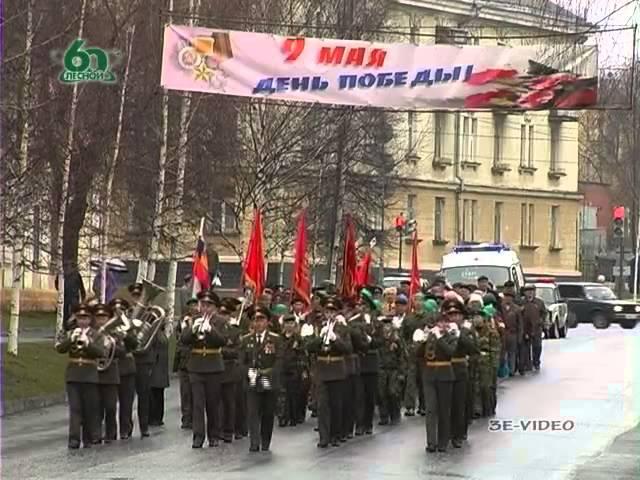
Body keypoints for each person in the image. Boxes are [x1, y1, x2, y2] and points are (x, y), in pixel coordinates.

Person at [302, 296, 352, 448]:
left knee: (336, 405)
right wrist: (320, 337)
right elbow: (309, 347)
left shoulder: (343, 329)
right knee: (323, 406)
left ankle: (335, 435)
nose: (329, 314)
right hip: (322, 370)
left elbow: (348, 349)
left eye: (332, 311)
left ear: (336, 313)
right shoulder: (318, 327)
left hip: (337, 369)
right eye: (327, 311)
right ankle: (323, 437)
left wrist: (335, 338)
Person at [55, 303, 105, 449]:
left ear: (90, 319)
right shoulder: (71, 333)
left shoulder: (96, 335)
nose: (82, 321)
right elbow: (60, 349)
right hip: (73, 375)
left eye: (85, 318)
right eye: (80, 318)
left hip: (90, 375)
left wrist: (88, 343)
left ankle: (88, 437)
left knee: (90, 408)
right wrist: (70, 340)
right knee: (75, 408)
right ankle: (74, 438)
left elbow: (101, 352)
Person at [181, 290, 227, 448]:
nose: (205, 308)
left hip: (213, 365)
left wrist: (210, 330)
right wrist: (192, 330)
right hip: (196, 366)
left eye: (209, 305)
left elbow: (222, 341)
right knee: (198, 403)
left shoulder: (220, 321)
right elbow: (184, 340)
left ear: (214, 307)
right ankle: (198, 436)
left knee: (213, 403)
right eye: (203, 305)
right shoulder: (194, 320)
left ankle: (213, 435)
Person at [240, 306, 283, 452]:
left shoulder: (275, 340)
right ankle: (254, 442)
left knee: (267, 412)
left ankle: (265, 440)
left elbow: (279, 361)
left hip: (268, 380)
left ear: (268, 321)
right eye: (254, 320)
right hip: (252, 380)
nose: (258, 323)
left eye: (261, 319)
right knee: (252, 412)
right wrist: (249, 372)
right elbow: (241, 362)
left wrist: (267, 374)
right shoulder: (246, 340)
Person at [414, 312, 458, 453]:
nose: (442, 326)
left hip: (445, 374)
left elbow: (450, 352)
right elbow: (417, 354)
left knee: (444, 410)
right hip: (429, 375)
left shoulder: (452, 337)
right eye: (440, 323)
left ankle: (443, 441)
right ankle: (431, 442)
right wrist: (424, 340)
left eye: (445, 323)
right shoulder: (431, 338)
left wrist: (439, 338)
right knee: (431, 409)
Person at [444, 300, 479, 447]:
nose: (453, 318)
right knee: (447, 404)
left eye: (456, 314)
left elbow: (473, 348)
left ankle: (459, 434)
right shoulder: (444, 329)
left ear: (462, 316)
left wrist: (459, 335)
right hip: (445, 368)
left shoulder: (467, 330)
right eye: (451, 315)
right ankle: (447, 433)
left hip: (460, 368)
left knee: (460, 403)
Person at [352, 290, 382, 435]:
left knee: (370, 396)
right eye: (359, 305)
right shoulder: (353, 322)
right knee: (358, 396)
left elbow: (381, 341)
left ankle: (368, 423)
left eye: (364, 306)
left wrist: (371, 340)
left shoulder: (377, 323)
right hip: (359, 362)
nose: (361, 308)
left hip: (371, 362)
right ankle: (359, 424)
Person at [92, 303, 122, 444]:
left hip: (110, 374)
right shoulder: (91, 334)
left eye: (104, 317)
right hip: (95, 375)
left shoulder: (115, 333)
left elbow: (123, 352)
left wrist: (112, 346)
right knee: (96, 407)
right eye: (98, 317)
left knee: (110, 406)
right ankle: (96, 434)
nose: (101, 320)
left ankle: (111, 433)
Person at [109, 298, 137, 439]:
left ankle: (125, 429)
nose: (117, 314)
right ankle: (111, 431)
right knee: (110, 404)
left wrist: (125, 336)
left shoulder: (130, 326)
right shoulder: (107, 327)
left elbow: (135, 344)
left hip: (127, 368)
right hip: (111, 368)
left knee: (126, 403)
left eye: (120, 311)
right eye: (114, 311)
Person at [129, 283, 154, 438]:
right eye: (136, 297)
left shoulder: (151, 314)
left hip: (144, 360)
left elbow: (156, 337)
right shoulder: (126, 313)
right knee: (127, 397)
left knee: (144, 395)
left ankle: (144, 426)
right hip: (129, 359)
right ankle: (127, 427)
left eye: (141, 297)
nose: (139, 300)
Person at [218, 297, 242, 443]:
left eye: (225, 315)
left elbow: (237, 351)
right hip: (216, 370)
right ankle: (218, 429)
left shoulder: (235, 331)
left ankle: (229, 430)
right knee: (217, 402)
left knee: (229, 402)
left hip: (230, 370)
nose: (223, 317)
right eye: (221, 314)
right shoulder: (214, 329)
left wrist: (222, 351)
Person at [377, 313, 407, 426]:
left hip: (393, 369)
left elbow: (402, 356)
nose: (386, 328)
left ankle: (395, 414)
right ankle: (383, 416)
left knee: (393, 392)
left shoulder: (397, 339)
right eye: (385, 325)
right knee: (381, 393)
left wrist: (402, 372)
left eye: (388, 325)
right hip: (381, 369)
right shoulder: (379, 339)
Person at [174, 297, 198, 429]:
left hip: (196, 360)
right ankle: (186, 418)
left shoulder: (200, 321)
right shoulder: (182, 320)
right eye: (191, 306)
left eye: (195, 305)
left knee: (195, 393)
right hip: (183, 361)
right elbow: (179, 338)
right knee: (185, 392)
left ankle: (195, 418)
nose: (193, 308)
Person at [278, 314, 305, 427]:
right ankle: (283, 417)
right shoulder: (280, 338)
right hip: (282, 369)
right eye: (287, 323)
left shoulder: (298, 339)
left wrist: (302, 369)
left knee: (294, 394)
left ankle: (294, 416)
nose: (289, 326)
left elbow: (302, 354)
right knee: (282, 395)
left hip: (294, 369)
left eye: (291, 323)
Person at [521, 284, 546, 372]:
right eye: (528, 291)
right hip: (525, 329)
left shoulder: (539, 302)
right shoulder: (521, 302)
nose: (530, 293)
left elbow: (544, 313)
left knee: (537, 347)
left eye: (532, 291)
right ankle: (527, 364)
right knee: (525, 347)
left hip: (537, 328)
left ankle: (536, 362)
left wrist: (541, 321)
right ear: (524, 293)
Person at [149, 324, 170, 427]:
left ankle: (153, 418)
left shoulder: (154, 334)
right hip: (161, 370)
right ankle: (158, 418)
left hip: (155, 369)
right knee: (159, 395)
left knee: (153, 395)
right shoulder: (162, 335)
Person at [56, 261, 87, 330]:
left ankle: (74, 326)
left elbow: (81, 286)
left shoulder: (76, 275)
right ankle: (65, 326)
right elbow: (57, 283)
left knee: (74, 312)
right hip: (65, 296)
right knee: (64, 312)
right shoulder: (61, 274)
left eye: (68, 266)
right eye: (66, 266)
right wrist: (60, 291)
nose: (67, 268)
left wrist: (83, 295)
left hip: (73, 296)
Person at [501, 291, 522, 377]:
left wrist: (520, 336)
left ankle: (511, 370)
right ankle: (503, 370)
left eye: (509, 297)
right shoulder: (500, 307)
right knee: (503, 352)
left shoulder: (516, 309)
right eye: (506, 297)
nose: (507, 298)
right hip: (503, 333)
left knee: (512, 353)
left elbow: (520, 324)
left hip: (513, 333)